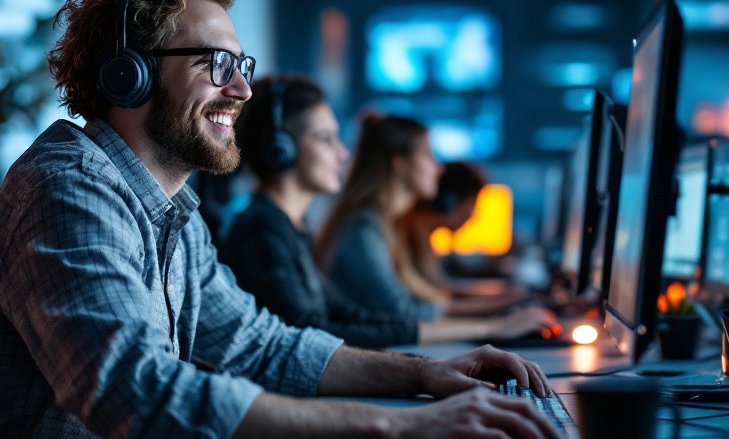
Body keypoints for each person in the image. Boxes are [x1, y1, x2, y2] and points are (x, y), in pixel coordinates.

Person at [0, 0, 563, 439]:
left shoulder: (170, 209)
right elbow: (141, 404)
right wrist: (402, 429)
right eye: (215, 64)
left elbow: (257, 345)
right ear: (129, 73)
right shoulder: (67, 193)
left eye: (241, 66)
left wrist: (420, 376)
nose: (243, 91)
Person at [223, 76, 539, 347]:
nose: (343, 152)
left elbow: (349, 315)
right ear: (281, 149)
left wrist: (492, 325)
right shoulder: (262, 231)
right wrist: (490, 328)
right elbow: (315, 335)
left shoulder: (290, 227)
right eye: (325, 139)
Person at [316, 113, 558, 330]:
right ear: (400, 164)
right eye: (428, 155)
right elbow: (401, 313)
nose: (439, 169)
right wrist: (495, 323)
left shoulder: (385, 226)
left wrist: (500, 305)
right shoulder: (364, 230)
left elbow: (419, 299)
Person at [401, 160, 520, 301]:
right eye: (472, 204)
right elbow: (433, 301)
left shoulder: (422, 236)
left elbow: (440, 290)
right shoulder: (408, 235)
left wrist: (501, 293)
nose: (472, 215)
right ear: (449, 201)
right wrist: (503, 303)